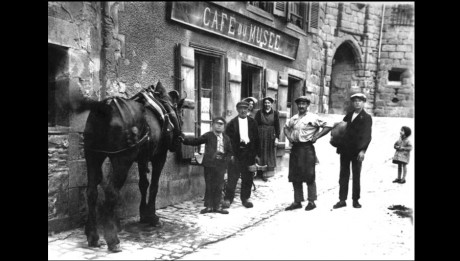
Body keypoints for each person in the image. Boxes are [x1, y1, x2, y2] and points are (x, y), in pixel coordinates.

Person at [284, 96, 333, 211]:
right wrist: (289, 137)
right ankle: (297, 201)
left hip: (307, 149)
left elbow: (329, 125)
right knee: (295, 175)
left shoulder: (313, 117)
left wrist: (316, 136)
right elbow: (286, 128)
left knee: (309, 175)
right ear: (297, 105)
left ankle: (311, 201)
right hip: (295, 148)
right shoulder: (294, 118)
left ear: (307, 105)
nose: (301, 106)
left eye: (303, 104)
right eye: (299, 104)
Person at [179, 117, 233, 214]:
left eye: (221, 124)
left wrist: (226, 159)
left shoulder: (226, 138)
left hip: (221, 165)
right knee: (209, 185)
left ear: (224, 127)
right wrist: (184, 140)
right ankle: (208, 206)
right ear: (213, 125)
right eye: (217, 123)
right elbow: (196, 141)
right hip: (210, 164)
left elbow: (229, 152)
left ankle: (217, 207)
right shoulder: (208, 136)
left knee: (219, 186)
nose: (219, 126)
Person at [333, 93, 372, 209]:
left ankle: (355, 200)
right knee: (343, 175)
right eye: (355, 101)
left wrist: (363, 151)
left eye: (359, 101)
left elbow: (367, 136)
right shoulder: (349, 115)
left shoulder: (366, 117)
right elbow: (342, 130)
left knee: (356, 176)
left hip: (357, 151)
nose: (357, 103)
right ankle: (342, 200)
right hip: (345, 150)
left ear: (363, 102)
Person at [222, 101, 260, 209]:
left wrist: (256, 155)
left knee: (248, 177)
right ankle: (228, 199)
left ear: (248, 110)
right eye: (241, 108)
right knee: (232, 178)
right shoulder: (231, 123)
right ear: (237, 110)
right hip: (236, 153)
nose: (243, 110)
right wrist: (231, 155)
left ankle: (246, 198)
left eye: (245, 108)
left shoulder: (253, 123)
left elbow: (257, 139)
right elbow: (227, 141)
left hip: (249, 153)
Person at [254, 96, 280, 182]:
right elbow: (255, 125)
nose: (267, 104)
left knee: (268, 153)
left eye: (268, 103)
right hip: (260, 135)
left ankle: (266, 174)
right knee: (260, 152)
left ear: (271, 104)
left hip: (270, 136)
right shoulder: (259, 112)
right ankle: (259, 173)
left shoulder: (275, 113)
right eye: (265, 103)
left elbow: (277, 126)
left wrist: (277, 137)